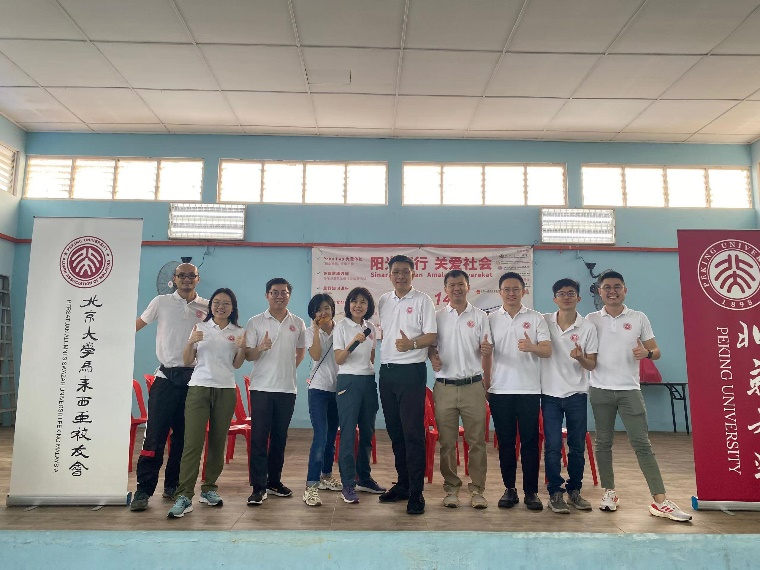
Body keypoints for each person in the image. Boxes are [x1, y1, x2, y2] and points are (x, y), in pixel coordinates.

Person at [586, 270, 691, 522]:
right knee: (603, 443)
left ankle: (660, 501)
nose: (612, 291)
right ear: (600, 291)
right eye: (607, 287)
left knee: (642, 444)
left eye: (617, 286)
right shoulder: (591, 319)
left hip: (629, 390)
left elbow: (656, 351)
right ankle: (609, 493)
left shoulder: (638, 317)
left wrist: (647, 353)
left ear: (625, 290)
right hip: (599, 389)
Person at [130, 263, 208, 512]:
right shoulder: (161, 302)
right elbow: (137, 324)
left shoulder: (207, 307)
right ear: (174, 278)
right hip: (165, 378)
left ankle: (173, 486)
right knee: (154, 436)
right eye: (181, 275)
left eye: (191, 276)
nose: (186, 279)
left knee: (184, 438)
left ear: (198, 279)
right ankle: (143, 490)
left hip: (194, 380)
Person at [167, 288, 246, 518]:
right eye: (217, 302)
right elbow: (187, 360)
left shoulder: (239, 331)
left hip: (225, 390)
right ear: (211, 305)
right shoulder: (200, 327)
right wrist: (190, 342)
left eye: (226, 303)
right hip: (198, 388)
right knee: (192, 443)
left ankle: (209, 488)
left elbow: (237, 364)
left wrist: (242, 347)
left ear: (233, 307)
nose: (221, 306)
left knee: (217, 442)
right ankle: (184, 495)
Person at [484, 271, 551, 512]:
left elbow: (547, 351)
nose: (511, 293)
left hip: (529, 390)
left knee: (530, 442)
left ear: (524, 291)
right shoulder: (490, 319)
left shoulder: (536, 318)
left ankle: (531, 492)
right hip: (500, 390)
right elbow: (486, 354)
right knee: (505, 443)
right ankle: (509, 489)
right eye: (507, 289)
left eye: (516, 289)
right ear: (500, 292)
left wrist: (532, 347)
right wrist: (487, 385)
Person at [377, 255, 437, 515]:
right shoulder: (384, 300)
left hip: (412, 372)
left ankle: (416, 492)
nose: (400, 276)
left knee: (413, 433)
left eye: (405, 271)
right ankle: (402, 484)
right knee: (395, 432)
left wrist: (411, 344)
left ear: (413, 273)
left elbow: (431, 335)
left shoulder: (423, 300)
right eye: (395, 272)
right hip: (387, 372)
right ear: (389, 275)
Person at [428, 270, 491, 509]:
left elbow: (487, 350)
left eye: (461, 284)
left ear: (468, 287)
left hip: (473, 386)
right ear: (445, 289)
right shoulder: (437, 317)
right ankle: (451, 489)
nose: (457, 288)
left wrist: (487, 382)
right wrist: (432, 356)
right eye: (452, 285)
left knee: (477, 442)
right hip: (444, 387)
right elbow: (430, 346)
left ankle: (477, 490)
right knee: (447, 442)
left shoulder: (481, 316)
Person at [245, 278, 306, 506]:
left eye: (284, 292)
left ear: (289, 295)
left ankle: (274, 482)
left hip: (287, 389)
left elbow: (301, 350)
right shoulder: (255, 322)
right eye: (274, 292)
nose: (279, 296)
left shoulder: (298, 322)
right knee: (259, 439)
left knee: (280, 438)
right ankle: (258, 487)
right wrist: (260, 348)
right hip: (261, 388)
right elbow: (248, 355)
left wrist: (288, 369)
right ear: (267, 295)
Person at [540, 278, 598, 514]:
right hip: (549, 394)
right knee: (553, 446)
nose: (566, 297)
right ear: (555, 299)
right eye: (561, 294)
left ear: (578, 298)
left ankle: (575, 490)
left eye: (571, 293)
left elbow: (592, 364)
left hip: (577, 394)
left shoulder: (588, 327)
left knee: (576, 446)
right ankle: (555, 492)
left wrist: (580, 358)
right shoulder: (544, 321)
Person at [333, 287, 385, 504]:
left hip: (368, 381)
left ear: (368, 306)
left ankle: (364, 478)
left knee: (367, 432)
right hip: (348, 381)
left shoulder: (370, 327)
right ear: (348, 304)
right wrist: (353, 343)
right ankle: (347, 483)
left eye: (363, 302)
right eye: (354, 301)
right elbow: (339, 359)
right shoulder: (341, 326)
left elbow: (371, 356)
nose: (358, 305)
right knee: (347, 434)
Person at [302, 293, 342, 507]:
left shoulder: (342, 330)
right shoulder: (309, 332)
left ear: (332, 310)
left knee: (331, 437)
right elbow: (316, 355)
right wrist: (317, 330)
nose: (323, 312)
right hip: (318, 390)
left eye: (326, 308)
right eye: (318, 309)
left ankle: (326, 476)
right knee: (320, 436)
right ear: (313, 313)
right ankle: (311, 486)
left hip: (339, 391)